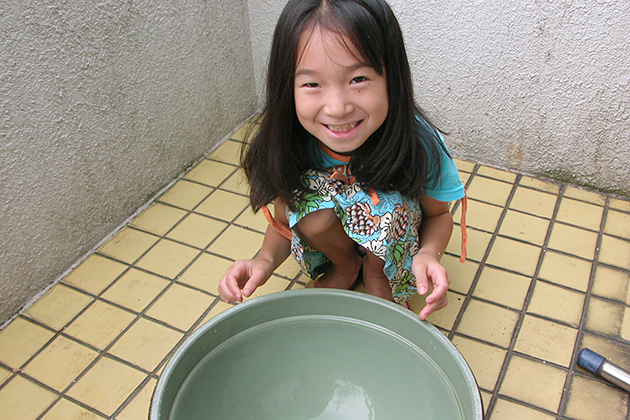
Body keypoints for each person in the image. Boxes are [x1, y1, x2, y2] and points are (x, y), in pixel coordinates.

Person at [218, 0, 467, 320]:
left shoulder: (417, 140)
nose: (337, 108)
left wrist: (430, 254)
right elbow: (284, 222)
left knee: (389, 208)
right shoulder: (290, 140)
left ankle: (378, 274)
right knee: (304, 205)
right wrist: (263, 262)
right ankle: (346, 266)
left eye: (358, 79)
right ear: (287, 87)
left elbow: (438, 216)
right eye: (311, 84)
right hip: (333, 238)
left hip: (394, 238)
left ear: (393, 77)